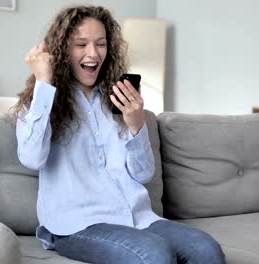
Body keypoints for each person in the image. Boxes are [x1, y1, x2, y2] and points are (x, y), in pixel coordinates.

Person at [13, 5, 225, 264]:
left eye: (100, 44)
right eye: (81, 44)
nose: (93, 53)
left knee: (207, 250)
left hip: (138, 218)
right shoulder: (41, 102)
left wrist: (136, 125)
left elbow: (143, 174)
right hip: (78, 224)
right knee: (155, 255)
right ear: (62, 49)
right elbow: (32, 158)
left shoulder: (118, 100)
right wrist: (44, 83)